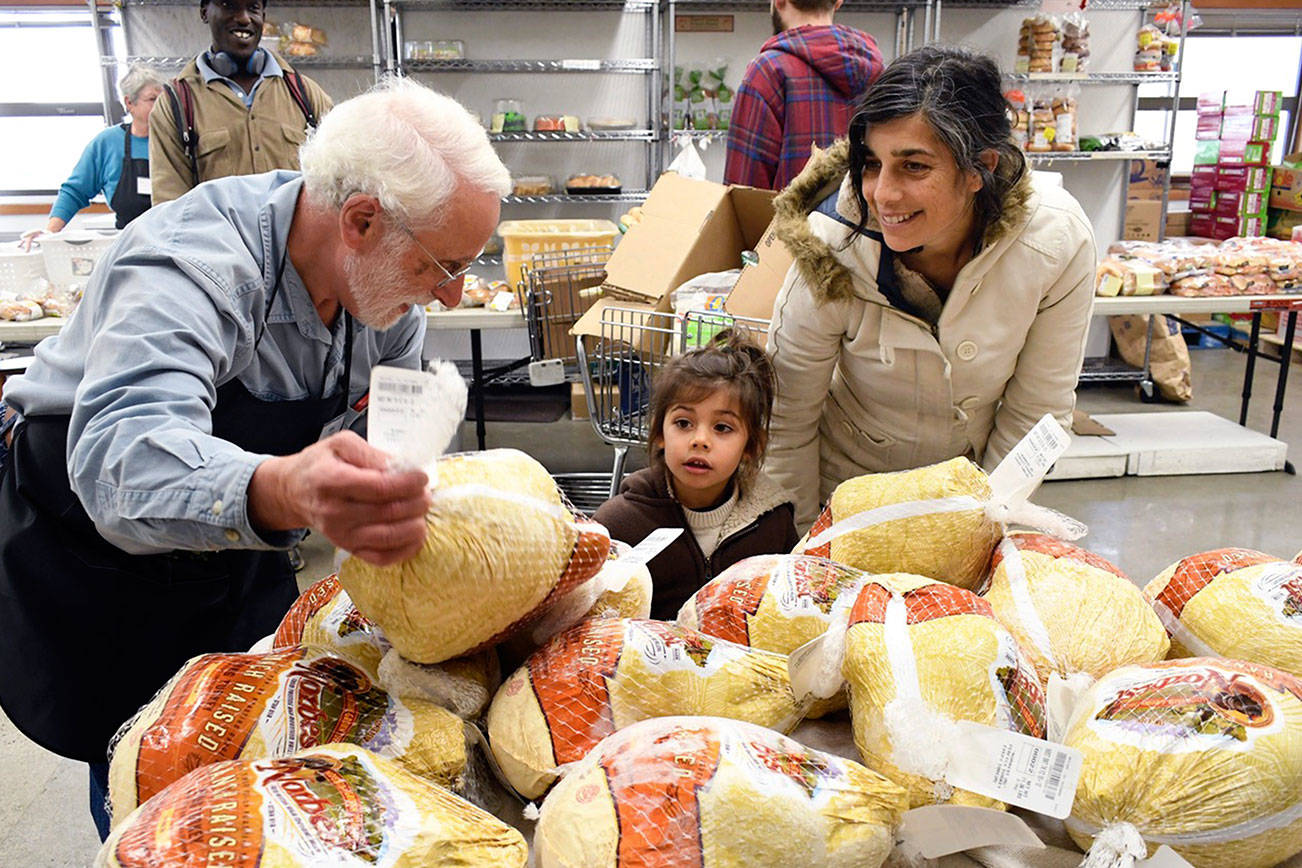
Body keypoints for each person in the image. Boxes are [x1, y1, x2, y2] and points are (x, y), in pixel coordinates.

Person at [0, 77, 510, 841]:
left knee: (258, 734)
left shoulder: (384, 304)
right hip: (97, 547)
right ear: (362, 221)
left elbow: (391, 439)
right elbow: (122, 457)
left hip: (241, 541)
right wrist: (284, 487)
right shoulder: (192, 261)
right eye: (441, 266)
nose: (450, 296)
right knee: (145, 766)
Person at [763, 45, 1097, 529]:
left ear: (979, 166)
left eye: (914, 166)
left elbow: (1035, 415)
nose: (883, 194)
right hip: (846, 499)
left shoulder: (1053, 242)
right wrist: (804, 547)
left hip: (970, 491)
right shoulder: (831, 246)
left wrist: (983, 529)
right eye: (872, 163)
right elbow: (786, 422)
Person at [594, 330, 799, 620]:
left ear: (752, 446)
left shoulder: (773, 524)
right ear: (659, 432)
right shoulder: (620, 524)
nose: (700, 440)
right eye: (684, 423)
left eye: (722, 428)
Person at [148, 0, 333, 204]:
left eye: (253, 8)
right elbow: (168, 208)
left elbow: (336, 183)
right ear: (204, 12)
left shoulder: (305, 94)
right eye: (229, 5)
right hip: (217, 237)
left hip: (297, 237)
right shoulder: (177, 105)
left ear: (262, 16)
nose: (244, 18)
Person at [723, 0, 883, 191]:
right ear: (838, 2)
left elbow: (742, 193)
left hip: (792, 219)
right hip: (865, 218)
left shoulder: (767, 72)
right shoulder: (879, 72)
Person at [20, 65, 166, 245]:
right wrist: (49, 233)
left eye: (163, 99)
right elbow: (75, 191)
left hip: (172, 242)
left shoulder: (175, 141)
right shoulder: (108, 143)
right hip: (127, 245)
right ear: (129, 103)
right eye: (152, 99)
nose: (160, 106)